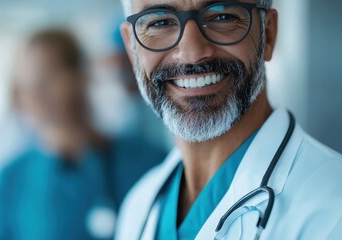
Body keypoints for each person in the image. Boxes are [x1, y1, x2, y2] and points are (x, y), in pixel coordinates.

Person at [115, 0, 342, 239]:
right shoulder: (138, 207)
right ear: (131, 48)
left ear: (269, 34)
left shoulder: (333, 210)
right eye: (160, 22)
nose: (192, 54)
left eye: (222, 17)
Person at [0, 29, 166, 240]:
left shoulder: (147, 162)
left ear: (81, 75)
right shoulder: (11, 182)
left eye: (46, 78)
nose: (35, 92)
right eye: (26, 83)